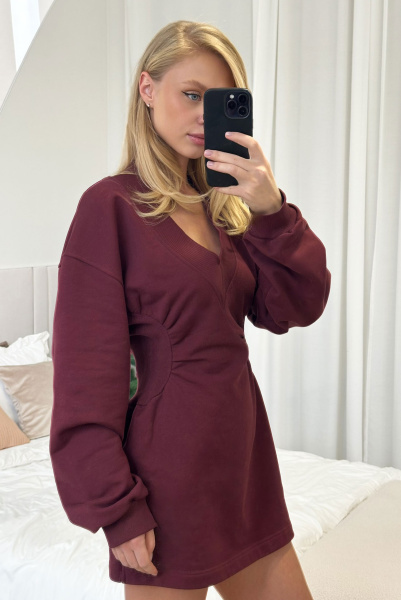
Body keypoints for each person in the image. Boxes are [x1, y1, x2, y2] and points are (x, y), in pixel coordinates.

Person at [49, 19, 330, 600]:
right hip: (166, 481)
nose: (205, 115)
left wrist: (271, 208)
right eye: (192, 94)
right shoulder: (110, 208)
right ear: (148, 89)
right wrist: (116, 508)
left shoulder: (225, 209)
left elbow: (297, 307)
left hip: (245, 468)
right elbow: (85, 375)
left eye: (220, 101)